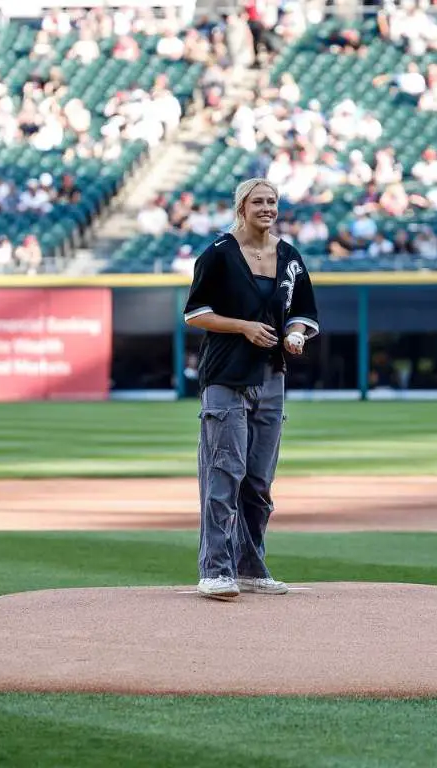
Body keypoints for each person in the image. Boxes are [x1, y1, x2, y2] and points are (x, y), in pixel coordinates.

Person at [183, 177, 318, 600]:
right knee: (224, 474)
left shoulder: (289, 257)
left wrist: (295, 334)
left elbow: (302, 312)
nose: (267, 208)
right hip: (226, 375)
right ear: (241, 207)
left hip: (271, 376)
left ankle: (250, 566)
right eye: (258, 201)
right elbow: (195, 313)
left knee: (258, 482)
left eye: (272, 201)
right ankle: (215, 569)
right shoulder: (219, 255)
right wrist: (242, 326)